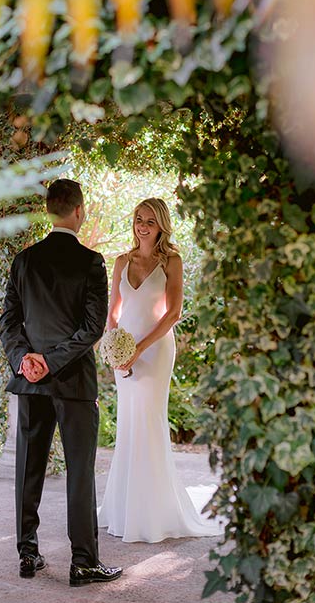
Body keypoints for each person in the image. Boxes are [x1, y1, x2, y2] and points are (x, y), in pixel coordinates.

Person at [0, 179, 122, 586]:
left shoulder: (24, 260)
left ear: (49, 211)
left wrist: (25, 361)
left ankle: (27, 555)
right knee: (79, 472)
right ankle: (83, 562)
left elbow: (8, 323)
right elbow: (91, 328)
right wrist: (50, 363)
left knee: (28, 471)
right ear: (79, 211)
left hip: (30, 383)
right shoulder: (91, 262)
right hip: (72, 384)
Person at [97, 197, 224, 542]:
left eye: (150, 221)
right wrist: (113, 348)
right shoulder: (122, 261)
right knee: (128, 423)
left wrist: (138, 349)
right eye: (139, 219)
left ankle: (152, 514)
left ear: (161, 225)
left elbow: (173, 313)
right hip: (123, 350)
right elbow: (112, 312)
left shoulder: (171, 261)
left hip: (154, 350)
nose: (142, 225)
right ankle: (123, 508)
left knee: (150, 422)